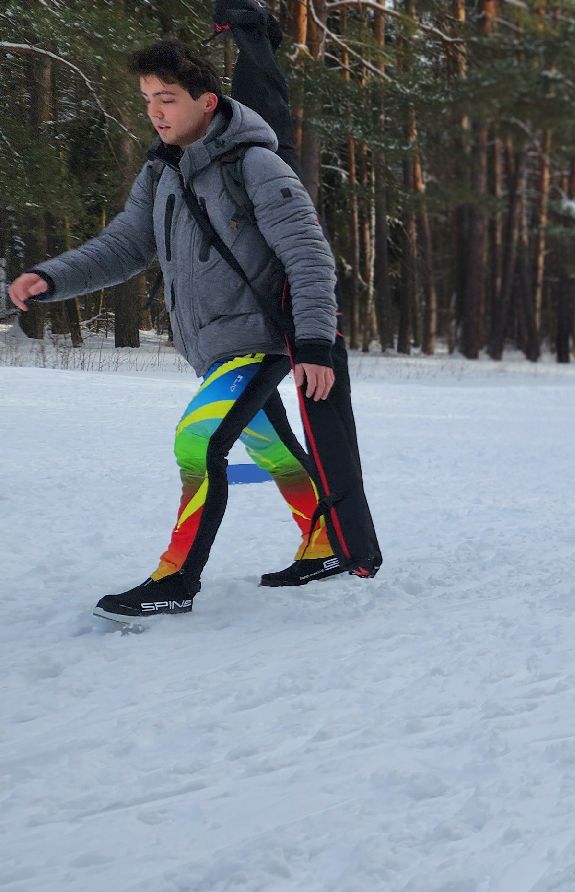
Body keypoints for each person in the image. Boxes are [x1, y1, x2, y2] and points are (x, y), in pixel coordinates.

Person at [8, 38, 378, 623]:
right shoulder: (162, 171)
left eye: (168, 99)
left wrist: (312, 345)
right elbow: (124, 247)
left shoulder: (255, 164)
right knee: (271, 447)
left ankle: (175, 578)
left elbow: (309, 256)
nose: (156, 112)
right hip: (213, 347)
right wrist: (49, 278)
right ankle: (326, 542)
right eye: (148, 99)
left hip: (257, 339)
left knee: (197, 442)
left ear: (207, 102)